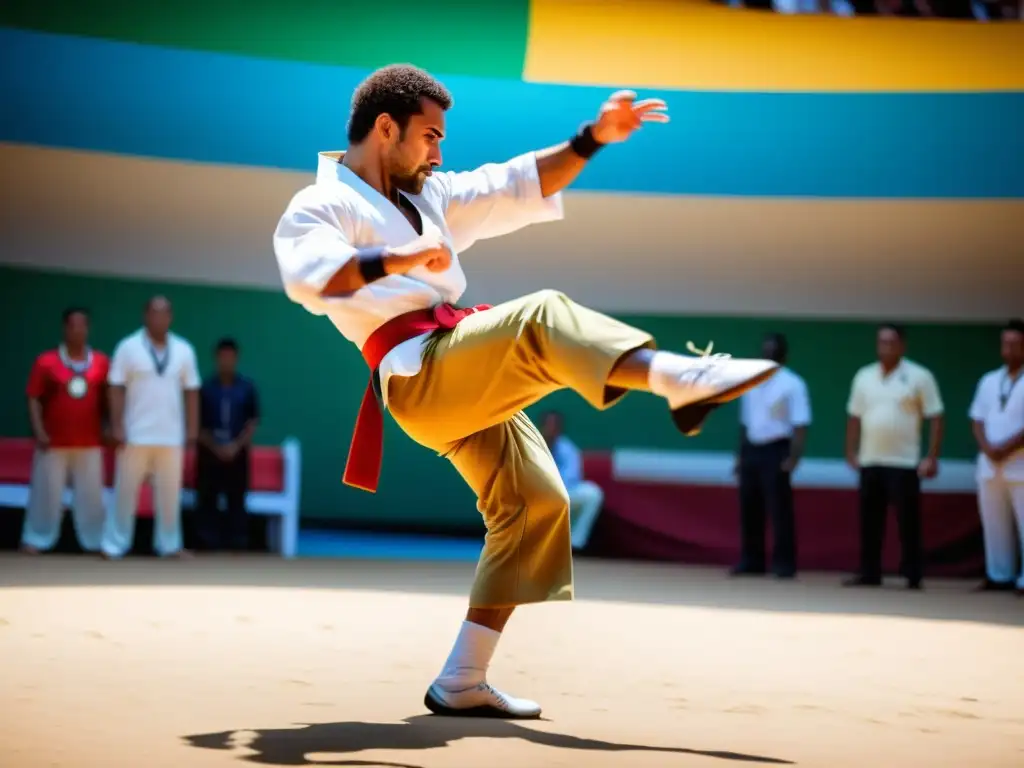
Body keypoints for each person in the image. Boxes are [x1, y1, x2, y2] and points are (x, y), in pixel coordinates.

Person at [272, 65, 779, 719]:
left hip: (456, 372)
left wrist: (592, 139)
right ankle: (683, 379)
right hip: (418, 374)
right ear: (385, 128)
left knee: (537, 504)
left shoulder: (429, 197)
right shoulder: (321, 204)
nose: (438, 151)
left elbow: (517, 183)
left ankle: (462, 677)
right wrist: (399, 261)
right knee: (541, 318)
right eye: (429, 136)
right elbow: (313, 280)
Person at [844, 323, 944, 590]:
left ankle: (912, 574)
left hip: (905, 462)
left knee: (908, 521)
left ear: (902, 346)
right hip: (870, 460)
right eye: (881, 342)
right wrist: (850, 451)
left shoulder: (919, 376)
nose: (885, 347)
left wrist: (931, 457)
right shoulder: (864, 376)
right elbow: (854, 416)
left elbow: (935, 416)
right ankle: (869, 572)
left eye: (891, 342)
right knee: (869, 520)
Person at [101, 296, 200, 559]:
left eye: (164, 313)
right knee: (125, 491)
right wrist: (117, 425)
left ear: (171, 317)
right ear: (145, 315)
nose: (159, 318)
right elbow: (116, 387)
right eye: (154, 313)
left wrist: (192, 429)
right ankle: (114, 544)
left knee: (170, 495)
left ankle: (169, 544)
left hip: (171, 436)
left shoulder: (184, 350)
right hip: (135, 434)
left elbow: (191, 391)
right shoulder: (128, 347)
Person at [20, 308, 109, 554]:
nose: (77, 330)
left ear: (88, 329)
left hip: (89, 442)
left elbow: (109, 400)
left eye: (82, 326)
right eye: (73, 326)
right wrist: (39, 431)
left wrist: (109, 427)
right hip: (53, 441)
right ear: (64, 328)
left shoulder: (101, 362)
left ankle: (95, 540)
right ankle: (36, 539)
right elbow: (34, 398)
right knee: (46, 495)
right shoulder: (45, 361)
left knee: (92, 498)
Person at [733, 333, 811, 579]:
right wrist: (740, 456)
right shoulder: (751, 382)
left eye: (773, 352)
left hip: (777, 450)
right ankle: (752, 560)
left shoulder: (793, 384)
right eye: (765, 351)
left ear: (783, 356)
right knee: (749, 507)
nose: (768, 356)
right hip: (752, 450)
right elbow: (745, 423)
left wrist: (794, 457)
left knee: (779, 510)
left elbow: (800, 424)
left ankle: (784, 563)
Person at [968, 318, 1024, 594]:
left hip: (1020, 464)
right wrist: (988, 447)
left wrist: (1008, 447)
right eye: (1006, 343)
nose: (1009, 349)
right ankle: (999, 575)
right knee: (994, 523)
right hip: (990, 464)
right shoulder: (989, 380)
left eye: (1016, 344)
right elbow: (977, 419)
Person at [196, 338, 260, 551]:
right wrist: (215, 446)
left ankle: (238, 543)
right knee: (207, 498)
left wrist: (235, 446)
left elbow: (252, 421)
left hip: (237, 453)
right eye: (222, 357)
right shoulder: (205, 388)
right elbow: (197, 423)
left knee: (237, 498)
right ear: (216, 359)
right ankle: (206, 542)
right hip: (208, 453)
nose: (226, 361)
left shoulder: (247, 387)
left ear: (236, 359)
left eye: (230, 357)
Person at [539, 411, 605, 552]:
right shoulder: (531, 446)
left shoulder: (568, 449)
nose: (551, 429)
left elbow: (572, 478)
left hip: (561, 494)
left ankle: (575, 544)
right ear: (542, 426)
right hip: (536, 496)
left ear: (560, 429)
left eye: (554, 426)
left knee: (593, 493)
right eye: (548, 425)